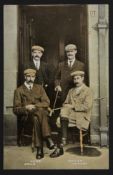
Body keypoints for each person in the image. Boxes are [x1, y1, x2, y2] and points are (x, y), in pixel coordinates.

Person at [13, 68, 63, 159]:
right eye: (28, 76)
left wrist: (34, 105)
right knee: (39, 114)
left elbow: (46, 102)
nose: (30, 78)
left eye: (33, 76)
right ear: (25, 77)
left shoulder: (39, 88)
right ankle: (48, 138)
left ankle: (39, 149)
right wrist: (26, 107)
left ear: (35, 77)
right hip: (27, 116)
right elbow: (16, 109)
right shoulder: (19, 90)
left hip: (39, 116)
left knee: (37, 117)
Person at [58, 70, 93, 145]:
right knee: (63, 113)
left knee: (63, 116)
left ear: (82, 78)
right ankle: (64, 139)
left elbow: (87, 106)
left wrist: (73, 106)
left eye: (78, 78)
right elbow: (66, 102)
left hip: (82, 115)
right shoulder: (71, 91)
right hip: (71, 114)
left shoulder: (88, 91)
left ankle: (64, 138)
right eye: (74, 79)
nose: (76, 81)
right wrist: (66, 105)